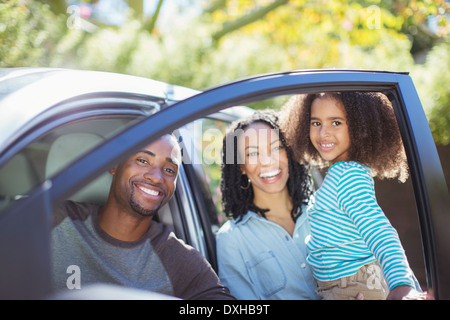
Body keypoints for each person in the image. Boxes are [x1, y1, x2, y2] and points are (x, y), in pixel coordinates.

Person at [280, 92, 431, 300]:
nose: (323, 132)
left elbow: (378, 229)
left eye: (336, 122)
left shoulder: (347, 174)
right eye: (316, 123)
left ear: (360, 127)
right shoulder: (343, 172)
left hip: (354, 287)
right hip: (346, 285)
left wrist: (400, 284)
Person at [51, 134, 234, 300]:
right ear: (114, 165)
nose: (156, 178)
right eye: (142, 160)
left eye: (169, 170)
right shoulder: (55, 220)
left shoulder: (179, 260)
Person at [216, 110, 320, 300]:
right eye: (253, 153)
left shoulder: (326, 212)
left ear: (290, 153)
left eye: (276, 148)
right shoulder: (232, 239)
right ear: (241, 167)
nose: (267, 161)